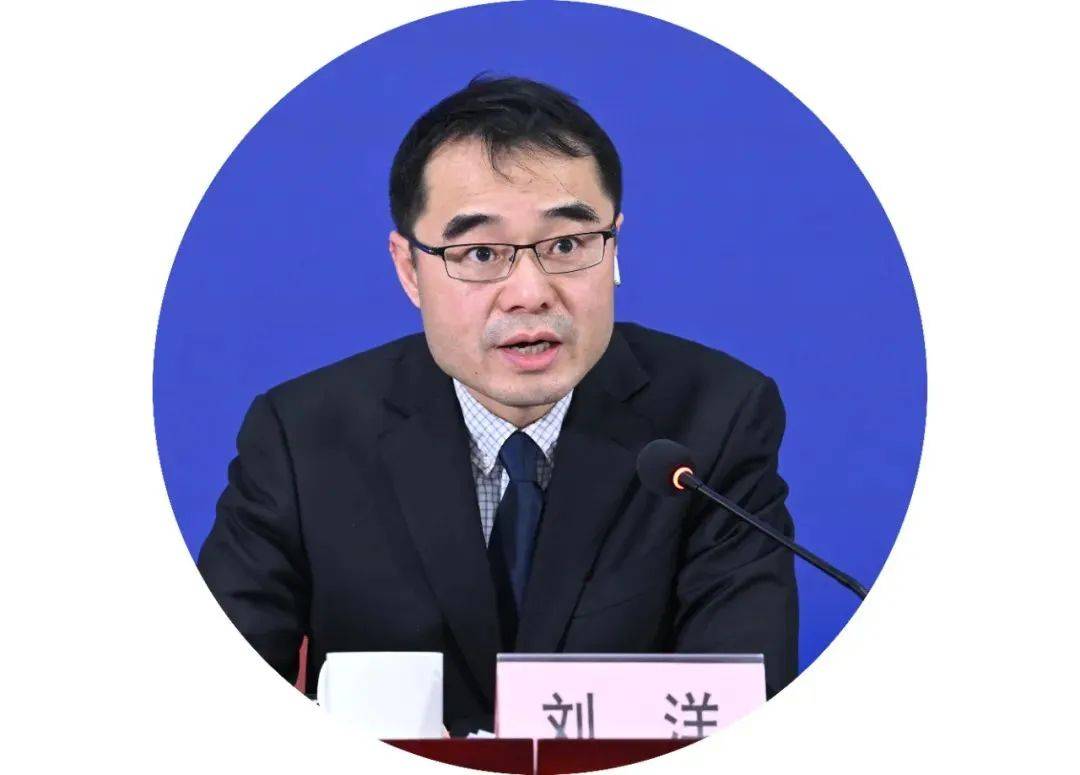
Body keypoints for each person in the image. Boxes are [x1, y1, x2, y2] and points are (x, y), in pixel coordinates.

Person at [198, 75, 798, 736]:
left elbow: (742, 707)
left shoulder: (715, 421)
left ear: (613, 248)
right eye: (481, 253)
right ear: (409, 269)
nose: (529, 293)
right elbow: (214, 710)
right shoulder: (302, 439)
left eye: (566, 245)